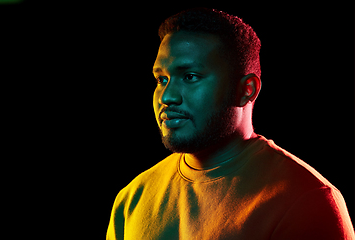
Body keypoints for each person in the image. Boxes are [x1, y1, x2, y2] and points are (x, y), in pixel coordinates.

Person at [107, 8, 354, 239]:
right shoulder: (132, 198)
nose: (168, 96)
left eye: (190, 76)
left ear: (246, 90)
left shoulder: (306, 201)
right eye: (161, 79)